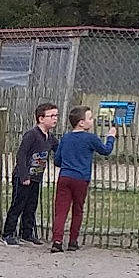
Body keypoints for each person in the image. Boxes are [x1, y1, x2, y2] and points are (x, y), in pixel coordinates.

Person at [49, 106, 115, 252]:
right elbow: (106, 150)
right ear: (81, 123)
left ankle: (57, 241)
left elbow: (57, 160)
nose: (92, 121)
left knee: (61, 210)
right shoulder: (90, 138)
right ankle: (73, 241)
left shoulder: (65, 138)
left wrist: (69, 161)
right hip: (81, 179)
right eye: (90, 118)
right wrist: (111, 137)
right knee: (77, 209)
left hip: (65, 177)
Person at [3, 102, 59, 245]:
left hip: (36, 177)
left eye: (56, 116)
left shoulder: (50, 138)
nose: (55, 119)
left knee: (31, 206)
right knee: (18, 204)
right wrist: (24, 175)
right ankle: (8, 234)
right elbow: (21, 154)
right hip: (24, 177)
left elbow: (59, 151)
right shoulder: (32, 135)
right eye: (51, 116)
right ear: (41, 118)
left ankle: (26, 233)